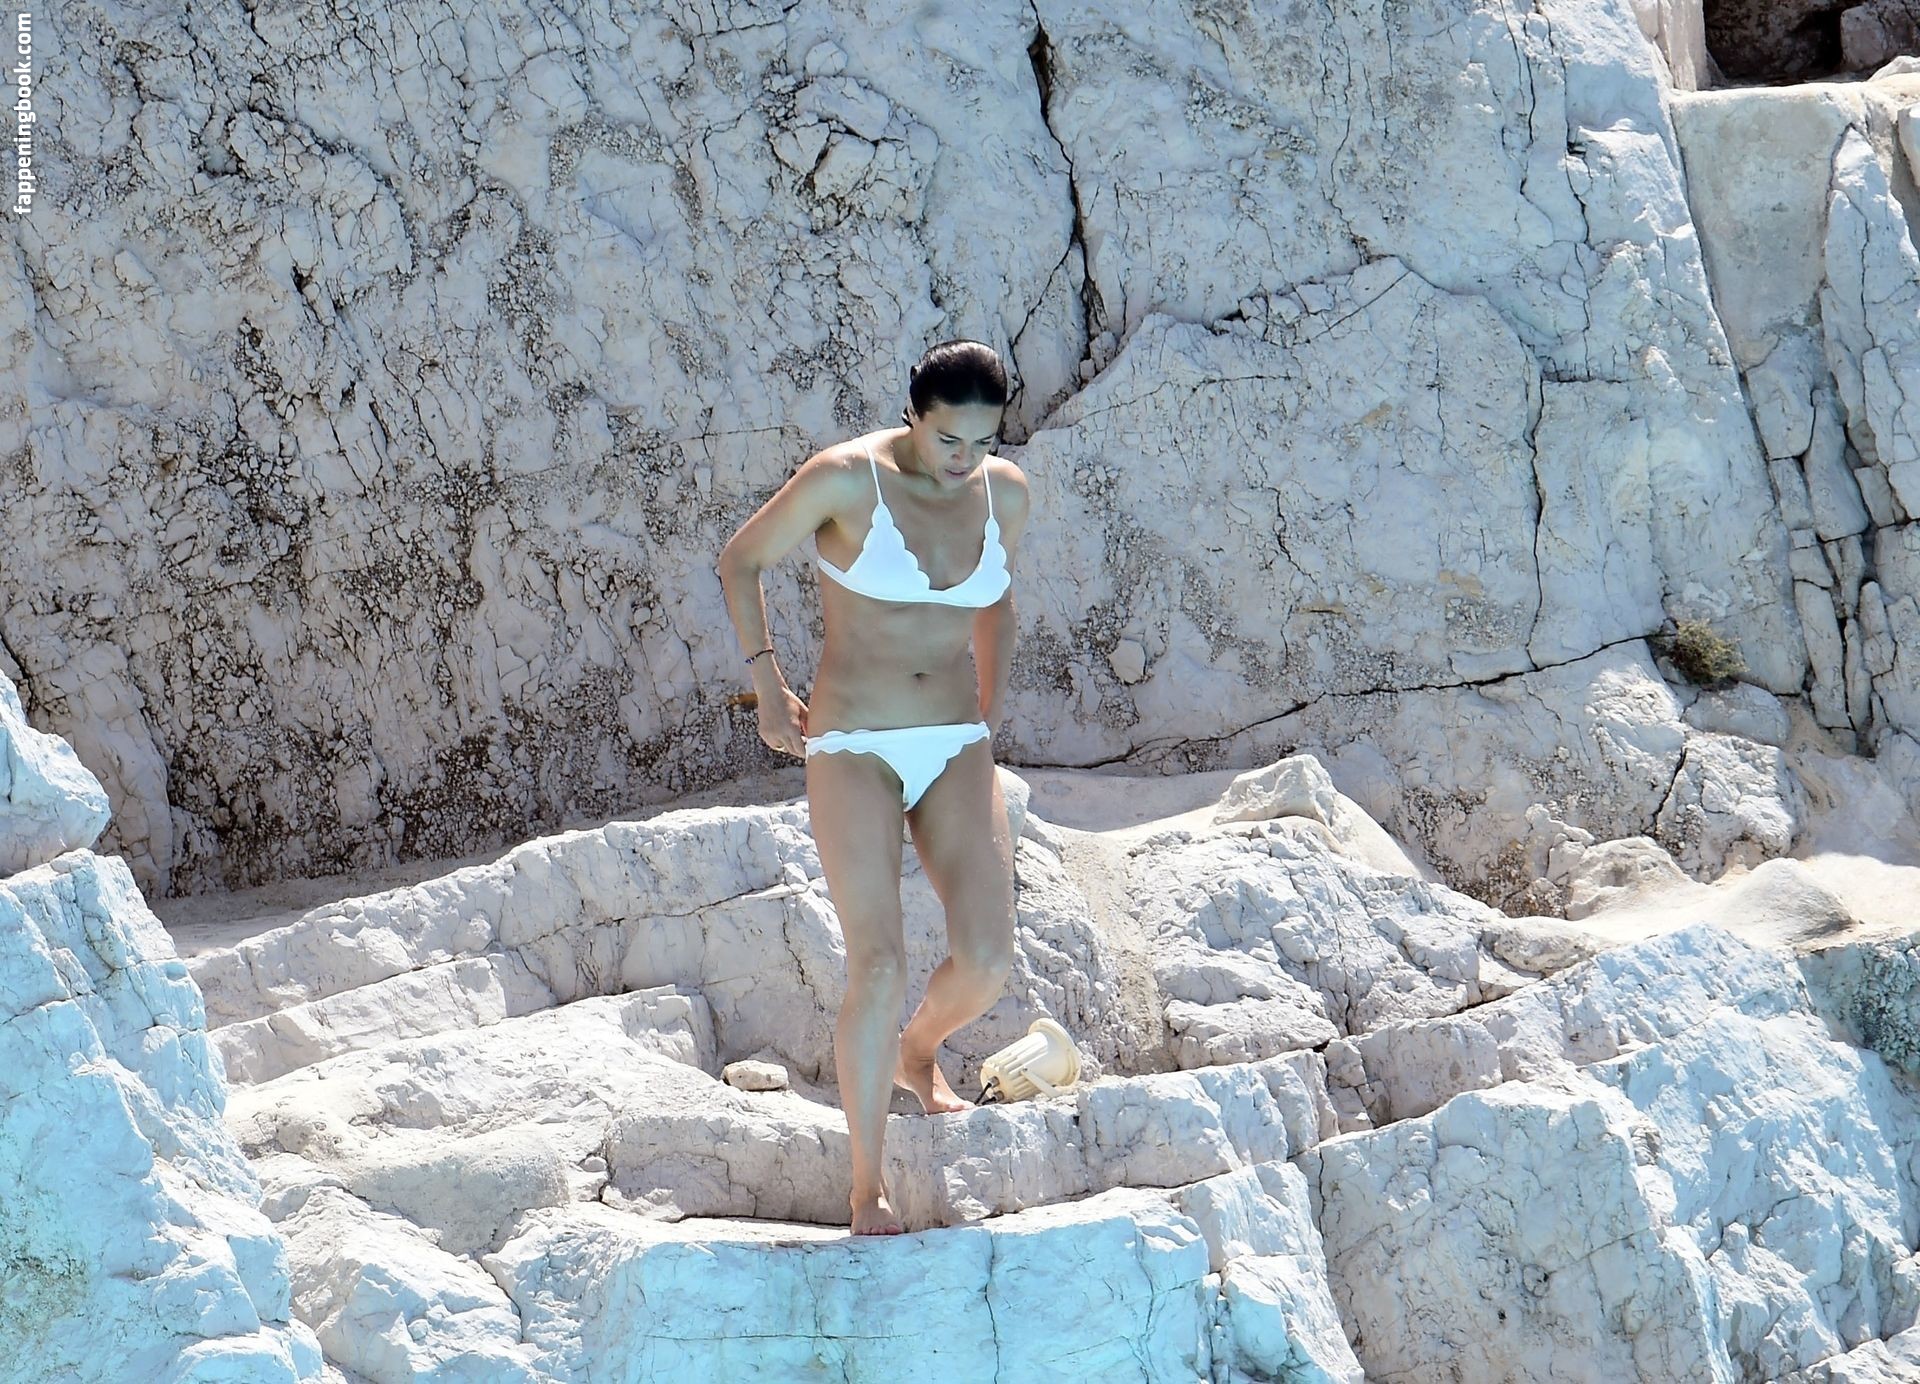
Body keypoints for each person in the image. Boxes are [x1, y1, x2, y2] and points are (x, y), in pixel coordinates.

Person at [717, 339, 1031, 1236]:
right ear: (913, 418)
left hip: (953, 741)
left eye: (982, 441)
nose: (964, 459)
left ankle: (917, 1051)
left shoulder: (1005, 493)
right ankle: (867, 1187)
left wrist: (988, 711)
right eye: (947, 439)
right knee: (881, 962)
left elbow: (995, 600)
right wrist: (768, 685)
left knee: (987, 960)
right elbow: (741, 560)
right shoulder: (846, 479)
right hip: (854, 740)